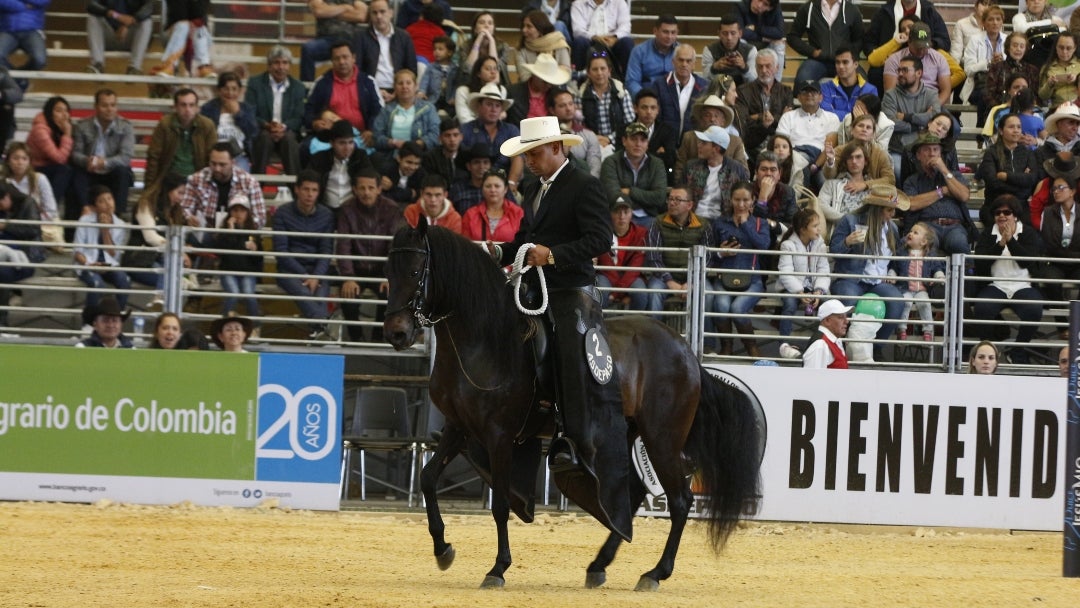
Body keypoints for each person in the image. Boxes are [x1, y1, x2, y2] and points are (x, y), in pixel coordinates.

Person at [494, 115, 632, 540]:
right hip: (536, 287)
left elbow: (599, 240)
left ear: (558, 148)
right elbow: (524, 238)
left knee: (571, 348)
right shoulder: (535, 187)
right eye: (527, 155)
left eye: (534, 153)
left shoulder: (586, 185)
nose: (530, 161)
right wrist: (497, 249)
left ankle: (576, 437)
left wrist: (550, 256)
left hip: (574, 287)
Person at [829, 184, 910, 351]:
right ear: (878, 209)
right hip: (851, 279)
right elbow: (834, 250)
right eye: (889, 210)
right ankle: (847, 348)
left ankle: (875, 347)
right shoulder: (850, 220)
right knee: (850, 302)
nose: (893, 214)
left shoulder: (892, 228)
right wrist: (847, 242)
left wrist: (893, 271)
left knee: (897, 303)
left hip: (878, 281)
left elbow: (895, 259)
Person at [971, 195, 1045, 365]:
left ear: (1015, 215)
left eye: (1007, 212)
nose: (1002, 216)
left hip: (1023, 285)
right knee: (982, 308)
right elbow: (981, 263)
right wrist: (1000, 244)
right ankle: (989, 353)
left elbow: (1027, 261)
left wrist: (1011, 241)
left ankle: (1018, 351)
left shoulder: (1027, 233)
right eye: (998, 213)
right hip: (996, 285)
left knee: (1034, 309)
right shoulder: (988, 234)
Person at [336, 168, 403, 342]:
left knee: (390, 294)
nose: (367, 192)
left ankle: (378, 340)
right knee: (347, 294)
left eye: (371, 188)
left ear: (379, 189)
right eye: (362, 188)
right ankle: (356, 339)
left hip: (382, 270)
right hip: (356, 269)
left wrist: (390, 276)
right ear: (355, 189)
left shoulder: (392, 209)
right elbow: (343, 245)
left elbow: (394, 245)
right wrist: (348, 277)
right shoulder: (346, 209)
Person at [272, 170, 335, 339]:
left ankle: (318, 333)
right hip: (289, 271)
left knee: (319, 298)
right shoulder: (282, 213)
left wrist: (315, 276)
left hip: (317, 270)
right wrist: (305, 275)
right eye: (306, 189)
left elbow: (326, 250)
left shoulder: (326, 215)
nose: (310, 194)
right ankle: (324, 330)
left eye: (314, 190)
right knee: (308, 296)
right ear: (297, 190)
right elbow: (281, 252)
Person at [711, 180, 770, 357]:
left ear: (753, 200)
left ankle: (751, 346)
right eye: (737, 200)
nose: (741, 204)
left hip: (752, 278)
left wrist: (745, 224)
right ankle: (726, 346)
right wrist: (721, 253)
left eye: (745, 200)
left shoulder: (760, 223)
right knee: (721, 307)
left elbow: (764, 247)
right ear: (731, 200)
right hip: (724, 276)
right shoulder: (720, 223)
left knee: (737, 309)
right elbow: (710, 254)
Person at [141, 88, 218, 211]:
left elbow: (212, 157)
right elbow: (154, 157)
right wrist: (149, 188)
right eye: (183, 105)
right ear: (175, 107)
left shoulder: (207, 126)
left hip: (198, 178)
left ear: (197, 107)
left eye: (191, 105)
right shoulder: (164, 125)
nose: (188, 110)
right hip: (169, 178)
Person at [644, 185, 714, 314]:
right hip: (663, 277)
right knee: (654, 293)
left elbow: (708, 258)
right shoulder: (658, 222)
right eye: (670, 199)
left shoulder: (703, 225)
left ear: (689, 205)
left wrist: (692, 281)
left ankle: (705, 334)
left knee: (708, 295)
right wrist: (669, 281)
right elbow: (653, 257)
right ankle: (655, 334)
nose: (672, 203)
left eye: (677, 200)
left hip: (693, 276)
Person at [900, 133, 973, 255]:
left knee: (958, 243)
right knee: (927, 244)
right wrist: (942, 191)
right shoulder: (912, 180)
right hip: (928, 226)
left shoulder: (954, 175)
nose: (932, 153)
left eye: (935, 149)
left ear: (940, 154)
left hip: (954, 226)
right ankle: (936, 273)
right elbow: (911, 204)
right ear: (918, 155)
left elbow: (964, 196)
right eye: (926, 149)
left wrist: (944, 170)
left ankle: (968, 273)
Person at [303, 41, 381, 149]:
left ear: (353, 58)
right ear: (332, 61)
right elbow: (308, 110)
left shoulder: (368, 82)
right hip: (330, 138)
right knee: (305, 148)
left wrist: (371, 130)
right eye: (337, 58)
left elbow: (378, 111)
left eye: (345, 57)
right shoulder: (321, 83)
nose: (341, 62)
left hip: (363, 136)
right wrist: (314, 123)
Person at [70, 89, 135, 216]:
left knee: (123, 172)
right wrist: (85, 161)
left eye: (113, 105)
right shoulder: (82, 126)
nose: (109, 109)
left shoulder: (125, 127)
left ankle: (117, 215)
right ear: (96, 107)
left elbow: (126, 156)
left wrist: (104, 163)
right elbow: (75, 153)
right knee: (75, 172)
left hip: (112, 170)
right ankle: (84, 210)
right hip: (89, 169)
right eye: (105, 105)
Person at [179, 142, 267, 234]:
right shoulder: (195, 180)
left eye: (222, 165)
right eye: (213, 163)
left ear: (233, 163)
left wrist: (241, 224)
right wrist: (189, 217)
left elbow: (260, 218)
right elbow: (184, 208)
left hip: (238, 233)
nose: (217, 169)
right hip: (205, 232)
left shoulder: (249, 182)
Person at [244, 45, 305, 176]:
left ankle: (296, 188)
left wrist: (283, 127)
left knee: (289, 139)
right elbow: (250, 113)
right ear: (269, 65)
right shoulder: (255, 83)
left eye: (285, 63)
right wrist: (267, 125)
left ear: (290, 65)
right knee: (265, 138)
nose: (281, 67)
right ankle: (257, 186)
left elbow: (299, 117)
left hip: (286, 131)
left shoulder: (298, 87)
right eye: (276, 62)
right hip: (263, 130)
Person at [883, 56, 943, 182]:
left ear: (919, 73)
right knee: (896, 171)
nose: (900, 74)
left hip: (925, 150)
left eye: (905, 70)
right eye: (899, 70)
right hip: (898, 150)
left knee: (936, 170)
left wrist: (906, 117)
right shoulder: (890, 95)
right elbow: (889, 123)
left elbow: (936, 118)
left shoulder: (931, 94)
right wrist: (920, 124)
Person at [976, 114, 1043, 224]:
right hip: (995, 205)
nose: (1016, 131)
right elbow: (992, 183)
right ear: (1001, 131)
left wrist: (1006, 176)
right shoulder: (991, 153)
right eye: (1011, 127)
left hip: (1020, 207)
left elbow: (1031, 180)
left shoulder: (1028, 153)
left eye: (1019, 127)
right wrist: (1021, 183)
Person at [73, 185, 130, 310]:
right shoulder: (84, 221)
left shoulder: (120, 225)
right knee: (97, 284)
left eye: (110, 199)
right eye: (101, 201)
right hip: (87, 265)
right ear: (94, 207)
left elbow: (114, 254)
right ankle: (90, 323)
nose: (108, 204)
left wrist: (105, 230)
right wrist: (90, 265)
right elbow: (77, 252)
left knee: (124, 280)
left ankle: (116, 318)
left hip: (109, 265)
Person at [776, 79, 840, 190]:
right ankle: (797, 202)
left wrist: (816, 166)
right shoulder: (788, 116)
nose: (809, 95)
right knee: (799, 164)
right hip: (795, 158)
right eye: (805, 92)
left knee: (827, 186)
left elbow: (830, 146)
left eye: (813, 92)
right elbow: (781, 143)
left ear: (821, 97)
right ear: (799, 97)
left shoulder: (831, 117)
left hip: (820, 159)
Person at [599, 122, 668, 222]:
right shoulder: (611, 162)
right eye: (633, 139)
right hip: (618, 216)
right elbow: (612, 195)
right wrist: (645, 198)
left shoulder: (657, 164)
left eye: (643, 140)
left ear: (647, 144)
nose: (638, 144)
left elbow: (659, 197)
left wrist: (630, 192)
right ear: (624, 141)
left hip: (648, 217)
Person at [673, 93, 749, 184]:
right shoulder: (690, 138)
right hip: (693, 189)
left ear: (723, 121)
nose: (712, 119)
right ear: (701, 119)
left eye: (716, 116)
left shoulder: (735, 141)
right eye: (707, 115)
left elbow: (744, 172)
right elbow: (679, 168)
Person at [777, 208, 830, 336]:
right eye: (815, 226)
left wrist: (819, 291)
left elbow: (824, 270)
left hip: (814, 288)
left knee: (829, 305)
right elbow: (785, 273)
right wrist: (799, 292)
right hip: (792, 288)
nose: (819, 229)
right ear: (803, 230)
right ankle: (784, 343)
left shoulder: (820, 245)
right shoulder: (788, 245)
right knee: (789, 305)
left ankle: (823, 342)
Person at [352, 0, 417, 102]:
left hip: (400, 90)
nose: (379, 16)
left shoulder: (404, 37)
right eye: (374, 13)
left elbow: (411, 69)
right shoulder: (360, 37)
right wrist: (374, 90)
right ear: (370, 15)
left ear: (391, 13)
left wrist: (397, 92)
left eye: (382, 12)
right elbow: (357, 69)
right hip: (370, 90)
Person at [371, 69, 441, 162]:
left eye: (408, 83)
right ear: (394, 88)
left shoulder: (428, 108)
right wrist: (393, 142)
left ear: (416, 86)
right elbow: (377, 136)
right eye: (400, 83)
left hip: (421, 155)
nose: (404, 86)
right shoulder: (386, 110)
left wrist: (415, 145)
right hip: (392, 155)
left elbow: (435, 134)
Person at [684, 125, 750, 221]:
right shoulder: (691, 167)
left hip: (723, 222)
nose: (699, 145)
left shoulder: (736, 169)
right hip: (692, 219)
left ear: (716, 148)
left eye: (704, 143)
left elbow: (745, 196)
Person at [788, 0, 863, 84]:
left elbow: (860, 39)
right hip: (817, 61)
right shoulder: (807, 8)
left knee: (863, 81)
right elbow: (792, 37)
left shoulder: (852, 9)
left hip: (844, 61)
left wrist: (848, 55)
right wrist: (812, 52)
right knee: (802, 79)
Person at [892, 222, 945, 341]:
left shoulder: (929, 255)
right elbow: (894, 266)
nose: (910, 234)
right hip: (905, 288)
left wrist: (939, 276)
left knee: (925, 304)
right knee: (905, 303)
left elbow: (937, 268)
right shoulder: (902, 253)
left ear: (923, 242)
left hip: (921, 289)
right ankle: (901, 329)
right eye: (910, 231)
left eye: (915, 233)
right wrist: (892, 275)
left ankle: (928, 330)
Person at [213, 194, 263, 321]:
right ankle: (224, 324)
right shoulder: (224, 231)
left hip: (248, 272)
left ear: (247, 213)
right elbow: (221, 252)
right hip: (228, 271)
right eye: (235, 210)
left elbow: (259, 259)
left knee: (249, 294)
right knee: (233, 294)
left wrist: (256, 249)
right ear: (230, 212)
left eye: (242, 210)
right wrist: (230, 231)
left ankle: (255, 326)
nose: (238, 213)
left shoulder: (253, 232)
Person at [734, 49, 792, 157]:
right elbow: (742, 121)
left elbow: (789, 121)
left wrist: (758, 117)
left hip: (779, 146)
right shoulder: (743, 91)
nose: (764, 70)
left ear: (777, 68)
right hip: (752, 145)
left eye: (768, 66)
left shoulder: (786, 91)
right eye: (760, 66)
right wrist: (765, 118)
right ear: (755, 68)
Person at [460, 83, 523, 182]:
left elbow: (518, 159)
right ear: (479, 106)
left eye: (497, 106)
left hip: (504, 183)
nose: (493, 109)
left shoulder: (511, 130)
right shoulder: (465, 130)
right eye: (489, 104)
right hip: (472, 183)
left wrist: (511, 183)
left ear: (501, 109)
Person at [883, 22, 954, 107]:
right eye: (918, 47)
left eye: (925, 47)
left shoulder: (939, 59)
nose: (921, 50)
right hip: (903, 103)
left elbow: (946, 90)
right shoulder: (894, 60)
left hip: (931, 103)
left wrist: (934, 107)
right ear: (909, 41)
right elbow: (890, 92)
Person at [594, 198, 647, 311]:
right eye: (617, 212)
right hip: (607, 275)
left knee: (640, 293)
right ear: (610, 214)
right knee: (600, 291)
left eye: (626, 212)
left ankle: (635, 326)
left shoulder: (641, 233)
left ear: (632, 213)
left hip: (630, 275)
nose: (622, 217)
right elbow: (606, 266)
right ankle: (601, 327)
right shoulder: (602, 233)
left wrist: (616, 294)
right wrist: (621, 292)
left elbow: (635, 267)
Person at [199, 72, 259, 172]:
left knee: (240, 177)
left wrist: (238, 114)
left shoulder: (246, 108)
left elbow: (253, 132)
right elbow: (203, 134)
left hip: (238, 156)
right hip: (215, 156)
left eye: (234, 89)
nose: (230, 93)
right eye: (226, 88)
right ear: (219, 90)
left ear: (240, 91)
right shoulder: (208, 108)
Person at [576, 51, 636, 151]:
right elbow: (578, 126)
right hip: (590, 145)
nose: (599, 73)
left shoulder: (621, 93)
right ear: (588, 73)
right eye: (595, 69)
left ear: (609, 71)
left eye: (603, 69)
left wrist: (609, 139)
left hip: (619, 143)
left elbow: (630, 123)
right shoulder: (580, 96)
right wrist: (594, 139)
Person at [2, 141, 58, 245]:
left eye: (24, 159)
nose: (20, 162)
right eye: (16, 158)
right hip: (7, 230)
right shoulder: (3, 182)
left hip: (33, 230)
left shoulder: (40, 179)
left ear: (29, 161)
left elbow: (51, 211)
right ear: (8, 161)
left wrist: (30, 222)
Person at [299, 0, 368, 83]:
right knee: (308, 49)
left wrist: (329, 12)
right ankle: (307, 87)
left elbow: (361, 16)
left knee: (365, 48)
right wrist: (345, 7)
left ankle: (360, 87)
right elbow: (319, 11)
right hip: (326, 40)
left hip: (350, 40)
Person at [1039, 171, 1080, 303]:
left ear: (1072, 191)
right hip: (1055, 263)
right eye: (1054, 189)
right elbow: (1050, 243)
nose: (1056, 191)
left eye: (1061, 188)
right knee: (1052, 281)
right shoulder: (1048, 213)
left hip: (1078, 263)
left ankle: (1077, 315)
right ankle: (1060, 319)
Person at [27, 97, 74, 212]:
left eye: (66, 111)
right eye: (58, 111)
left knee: (76, 175)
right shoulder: (40, 130)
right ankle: (50, 210)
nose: (64, 115)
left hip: (51, 167)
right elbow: (59, 158)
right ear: (49, 113)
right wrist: (67, 135)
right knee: (65, 170)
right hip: (36, 168)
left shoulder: (59, 128)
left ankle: (72, 221)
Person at [962, 5, 1006, 126]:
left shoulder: (1008, 40)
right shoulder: (974, 40)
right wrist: (988, 63)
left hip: (1001, 83)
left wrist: (1003, 62)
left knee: (1001, 95)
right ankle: (982, 129)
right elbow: (968, 70)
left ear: (1002, 22)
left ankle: (991, 129)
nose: (995, 23)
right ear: (984, 22)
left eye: (998, 19)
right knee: (986, 95)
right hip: (978, 85)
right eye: (991, 19)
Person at [818, 141, 874, 235]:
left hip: (868, 231)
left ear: (866, 161)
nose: (854, 161)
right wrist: (845, 218)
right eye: (850, 158)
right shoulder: (832, 184)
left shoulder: (873, 187)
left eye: (858, 157)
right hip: (841, 230)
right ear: (845, 162)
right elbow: (821, 205)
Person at [651, 45, 707, 137]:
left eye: (688, 61)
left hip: (693, 144)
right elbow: (655, 117)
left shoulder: (704, 87)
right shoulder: (659, 85)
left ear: (694, 64)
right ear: (673, 62)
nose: (684, 64)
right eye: (681, 60)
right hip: (663, 143)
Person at [86, 0, 153, 75]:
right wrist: (116, 15)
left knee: (146, 22)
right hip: (108, 36)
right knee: (93, 17)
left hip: (130, 37)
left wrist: (130, 22)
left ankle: (134, 67)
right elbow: (91, 5)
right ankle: (97, 65)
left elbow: (149, 7)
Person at [570, 0, 634, 76]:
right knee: (579, 42)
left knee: (627, 42)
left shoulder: (619, 2)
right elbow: (578, 30)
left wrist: (615, 37)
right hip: (590, 40)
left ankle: (627, 80)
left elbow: (625, 26)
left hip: (612, 41)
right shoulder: (578, 4)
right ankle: (577, 79)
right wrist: (594, 37)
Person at [505, 53, 572, 126]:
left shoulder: (556, 93)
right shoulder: (513, 92)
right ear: (534, 76)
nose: (548, 85)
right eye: (545, 82)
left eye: (551, 82)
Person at [152, 0, 213, 78]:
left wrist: (192, 23)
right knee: (183, 25)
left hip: (199, 37)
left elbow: (200, 13)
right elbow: (179, 14)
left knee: (199, 26)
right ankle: (203, 65)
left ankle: (203, 66)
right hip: (174, 33)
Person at [549, 88, 602, 178]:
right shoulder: (547, 136)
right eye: (562, 106)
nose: (568, 108)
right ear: (552, 110)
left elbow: (595, 167)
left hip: (585, 184)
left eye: (571, 104)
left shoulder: (589, 135)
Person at [454, 11, 513, 91]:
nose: (486, 26)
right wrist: (478, 41)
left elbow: (496, 71)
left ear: (494, 28)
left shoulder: (503, 47)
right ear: (475, 28)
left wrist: (491, 41)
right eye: (482, 23)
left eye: (490, 23)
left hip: (496, 86)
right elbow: (468, 69)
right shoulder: (465, 46)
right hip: (472, 85)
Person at [624, 13, 679, 98]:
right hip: (646, 97)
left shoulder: (682, 52)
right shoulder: (639, 51)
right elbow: (632, 82)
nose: (669, 36)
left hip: (674, 98)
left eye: (673, 32)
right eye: (665, 32)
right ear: (655, 31)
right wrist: (645, 97)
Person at [461, 168, 524, 242]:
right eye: (488, 186)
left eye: (497, 186)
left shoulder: (518, 213)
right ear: (482, 189)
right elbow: (464, 243)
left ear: (505, 189)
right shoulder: (470, 214)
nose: (492, 190)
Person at [749, 152, 797, 248]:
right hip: (752, 240)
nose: (768, 173)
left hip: (778, 241)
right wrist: (763, 197)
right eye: (764, 169)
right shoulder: (747, 190)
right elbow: (752, 224)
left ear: (779, 174)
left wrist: (771, 223)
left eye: (773, 170)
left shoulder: (788, 192)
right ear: (756, 173)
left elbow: (792, 224)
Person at [819, 47, 878, 121]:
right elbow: (825, 114)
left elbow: (869, 118)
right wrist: (854, 116)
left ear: (856, 64)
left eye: (845, 62)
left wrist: (836, 112)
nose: (840, 66)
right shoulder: (825, 88)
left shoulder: (870, 90)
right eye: (837, 62)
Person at [630, 88, 678, 179]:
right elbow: (623, 158)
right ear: (635, 108)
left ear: (658, 110)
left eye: (653, 108)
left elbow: (670, 160)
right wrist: (657, 154)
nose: (649, 112)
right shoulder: (625, 130)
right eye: (644, 107)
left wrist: (637, 153)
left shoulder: (668, 131)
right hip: (631, 176)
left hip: (658, 177)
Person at [986, 32, 1040, 111]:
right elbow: (988, 94)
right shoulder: (997, 68)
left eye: (1021, 46)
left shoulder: (1032, 70)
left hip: (1026, 111)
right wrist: (1003, 108)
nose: (1018, 49)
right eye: (1015, 45)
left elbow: (1036, 95)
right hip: (1001, 110)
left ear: (1025, 49)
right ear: (1008, 47)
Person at [515, 10, 572, 82]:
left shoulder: (558, 43)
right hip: (529, 89)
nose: (524, 30)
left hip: (558, 87)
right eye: (523, 26)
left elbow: (566, 73)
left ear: (540, 29)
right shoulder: (521, 49)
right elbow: (524, 76)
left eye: (529, 26)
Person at [0, 0, 47, 88]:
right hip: (7, 30)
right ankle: (18, 79)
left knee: (40, 60)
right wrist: (23, 6)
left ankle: (16, 78)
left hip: (32, 30)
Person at [700, 15, 757, 87]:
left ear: (740, 33)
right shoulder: (709, 50)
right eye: (725, 33)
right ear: (719, 34)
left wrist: (744, 68)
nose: (729, 38)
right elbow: (705, 80)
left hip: (743, 91)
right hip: (718, 89)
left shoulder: (750, 50)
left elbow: (754, 81)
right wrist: (714, 68)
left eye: (733, 33)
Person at [453, 56, 505, 125]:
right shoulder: (463, 91)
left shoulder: (502, 90)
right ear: (478, 73)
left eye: (495, 69)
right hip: (470, 131)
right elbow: (464, 119)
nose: (493, 72)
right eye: (488, 69)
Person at [735, 0, 786, 71]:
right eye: (759, 0)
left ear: (769, 8)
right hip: (748, 43)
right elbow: (739, 32)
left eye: (765, 4)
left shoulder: (775, 8)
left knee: (779, 43)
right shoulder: (740, 6)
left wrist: (756, 28)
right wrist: (763, 38)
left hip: (766, 45)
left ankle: (776, 81)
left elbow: (780, 33)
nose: (759, 5)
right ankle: (747, 76)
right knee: (739, 41)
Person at [801, 299, 852, 368]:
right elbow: (812, 377)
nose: (846, 321)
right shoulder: (820, 345)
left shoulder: (833, 340)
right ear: (827, 321)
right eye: (841, 317)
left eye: (846, 317)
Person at [418, 35, 458, 116]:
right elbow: (425, 80)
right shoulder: (430, 67)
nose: (436, 52)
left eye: (440, 49)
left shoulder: (455, 69)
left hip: (449, 100)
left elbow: (456, 85)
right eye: (435, 49)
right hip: (434, 99)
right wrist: (421, 91)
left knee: (451, 112)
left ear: (449, 52)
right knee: (429, 110)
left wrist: (454, 97)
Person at [1038, 32, 1080, 107]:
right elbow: (1042, 96)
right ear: (1056, 48)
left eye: (1068, 48)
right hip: (1057, 107)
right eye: (1061, 47)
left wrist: (1077, 80)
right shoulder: (1047, 68)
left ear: (1075, 48)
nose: (1064, 52)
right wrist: (1049, 84)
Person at [448, 142, 491, 214]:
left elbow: (513, 212)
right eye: (476, 162)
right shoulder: (457, 189)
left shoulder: (499, 187)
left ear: (490, 166)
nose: (481, 167)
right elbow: (448, 214)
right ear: (469, 166)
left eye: (485, 162)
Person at [951, 0, 989, 65]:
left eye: (990, 5)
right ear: (976, 5)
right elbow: (956, 53)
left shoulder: (996, 25)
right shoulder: (961, 24)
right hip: (967, 68)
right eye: (984, 4)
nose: (986, 8)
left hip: (990, 69)